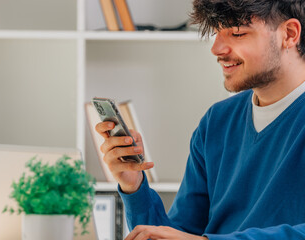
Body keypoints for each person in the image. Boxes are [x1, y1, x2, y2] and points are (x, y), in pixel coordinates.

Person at [95, 0, 305, 239]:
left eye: (237, 33)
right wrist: (134, 186)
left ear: (289, 34)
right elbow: (177, 234)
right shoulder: (217, 121)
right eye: (216, 32)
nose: (217, 48)